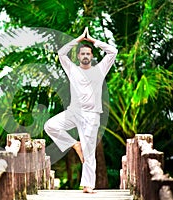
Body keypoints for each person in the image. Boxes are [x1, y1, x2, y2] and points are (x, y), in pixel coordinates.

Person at [44, 27, 118, 193]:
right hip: (74, 112)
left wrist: (92, 41)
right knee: (50, 126)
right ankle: (73, 144)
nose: (85, 56)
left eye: (88, 53)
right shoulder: (72, 69)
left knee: (89, 150)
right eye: (82, 53)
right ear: (78, 57)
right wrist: (78, 40)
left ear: (91, 56)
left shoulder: (99, 70)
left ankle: (88, 185)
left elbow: (113, 51)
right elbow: (61, 54)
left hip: (91, 116)